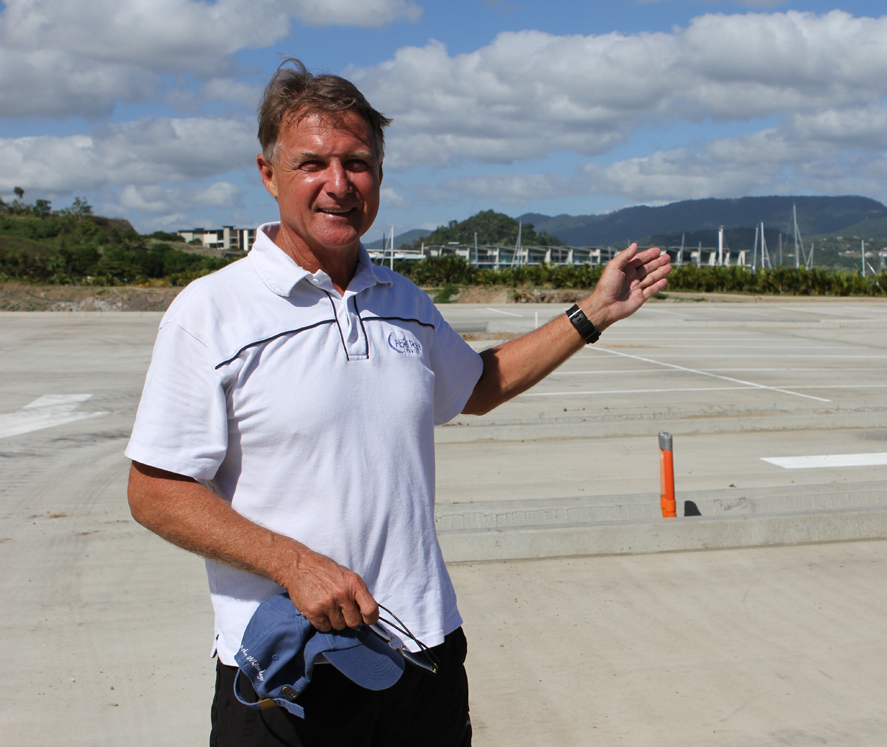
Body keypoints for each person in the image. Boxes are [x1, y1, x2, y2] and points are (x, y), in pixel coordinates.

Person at [125, 58, 670, 745]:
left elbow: (476, 386)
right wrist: (293, 564)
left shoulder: (403, 301)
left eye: (357, 163)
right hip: (290, 671)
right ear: (268, 173)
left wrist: (593, 312)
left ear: (378, 175)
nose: (338, 183)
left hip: (420, 651)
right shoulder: (211, 311)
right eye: (312, 163)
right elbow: (155, 490)